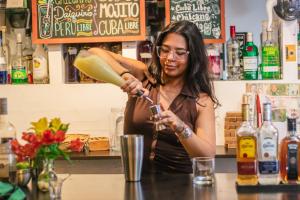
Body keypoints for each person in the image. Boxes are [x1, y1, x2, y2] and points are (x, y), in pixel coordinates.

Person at [89, 20, 219, 174]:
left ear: (193, 56)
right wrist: (125, 75)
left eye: (179, 52)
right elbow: (92, 53)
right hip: (136, 183)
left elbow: (207, 155)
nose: (170, 58)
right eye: (165, 50)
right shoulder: (144, 76)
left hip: (180, 188)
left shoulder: (200, 100)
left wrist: (180, 127)